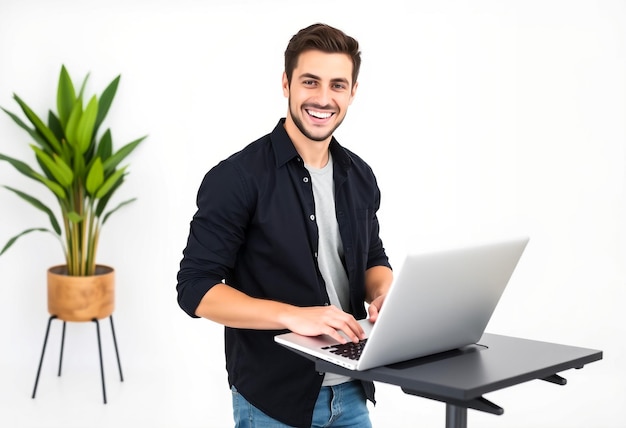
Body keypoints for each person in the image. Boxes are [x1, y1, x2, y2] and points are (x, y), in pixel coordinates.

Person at [176, 23, 393, 428]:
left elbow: (372, 259)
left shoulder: (359, 175)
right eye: (310, 82)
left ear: (353, 92)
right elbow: (195, 289)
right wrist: (293, 315)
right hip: (273, 398)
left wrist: (385, 294)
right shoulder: (237, 178)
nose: (323, 99)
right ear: (286, 84)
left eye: (338, 85)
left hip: (354, 383)